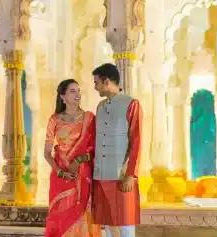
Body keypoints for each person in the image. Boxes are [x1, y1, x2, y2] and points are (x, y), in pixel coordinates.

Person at [89, 63, 144, 237]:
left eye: (96, 82)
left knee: (125, 224)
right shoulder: (100, 106)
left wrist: (130, 174)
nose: (95, 87)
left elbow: (137, 141)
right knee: (107, 225)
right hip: (100, 175)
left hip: (121, 176)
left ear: (106, 81)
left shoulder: (132, 104)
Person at [44, 79, 100, 237]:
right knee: (61, 217)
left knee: (82, 215)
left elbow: (96, 150)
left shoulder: (89, 118)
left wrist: (78, 160)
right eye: (72, 91)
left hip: (81, 175)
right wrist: (61, 172)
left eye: (78, 90)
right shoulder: (54, 119)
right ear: (63, 97)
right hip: (60, 176)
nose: (77, 94)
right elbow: (47, 153)